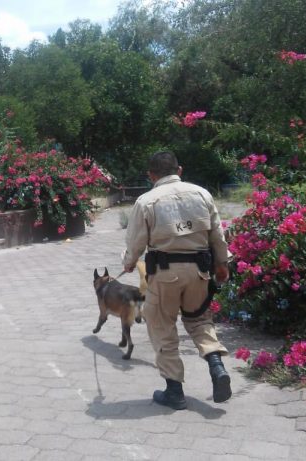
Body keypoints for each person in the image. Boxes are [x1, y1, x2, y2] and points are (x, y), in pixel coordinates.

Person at [122, 150, 231, 410]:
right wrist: (222, 264)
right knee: (200, 320)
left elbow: (136, 242)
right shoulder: (202, 194)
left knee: (162, 327)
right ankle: (216, 366)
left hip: (165, 274)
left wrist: (128, 263)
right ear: (179, 170)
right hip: (199, 272)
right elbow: (217, 234)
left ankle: (174, 391)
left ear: (151, 175)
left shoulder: (146, 201)